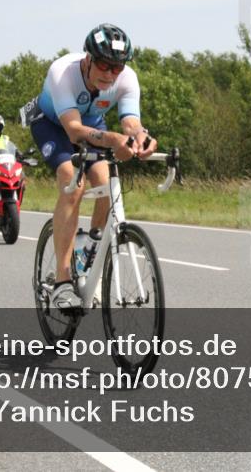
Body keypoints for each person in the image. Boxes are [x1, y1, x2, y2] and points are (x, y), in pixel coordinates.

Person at [23, 23, 157, 309]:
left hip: (92, 124)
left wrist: (140, 138)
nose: (110, 74)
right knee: (73, 181)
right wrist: (114, 140)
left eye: (117, 68)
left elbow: (131, 123)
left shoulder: (127, 78)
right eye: (105, 66)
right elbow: (73, 131)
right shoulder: (63, 72)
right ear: (88, 59)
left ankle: (89, 251)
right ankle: (61, 281)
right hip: (53, 125)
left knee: (106, 184)